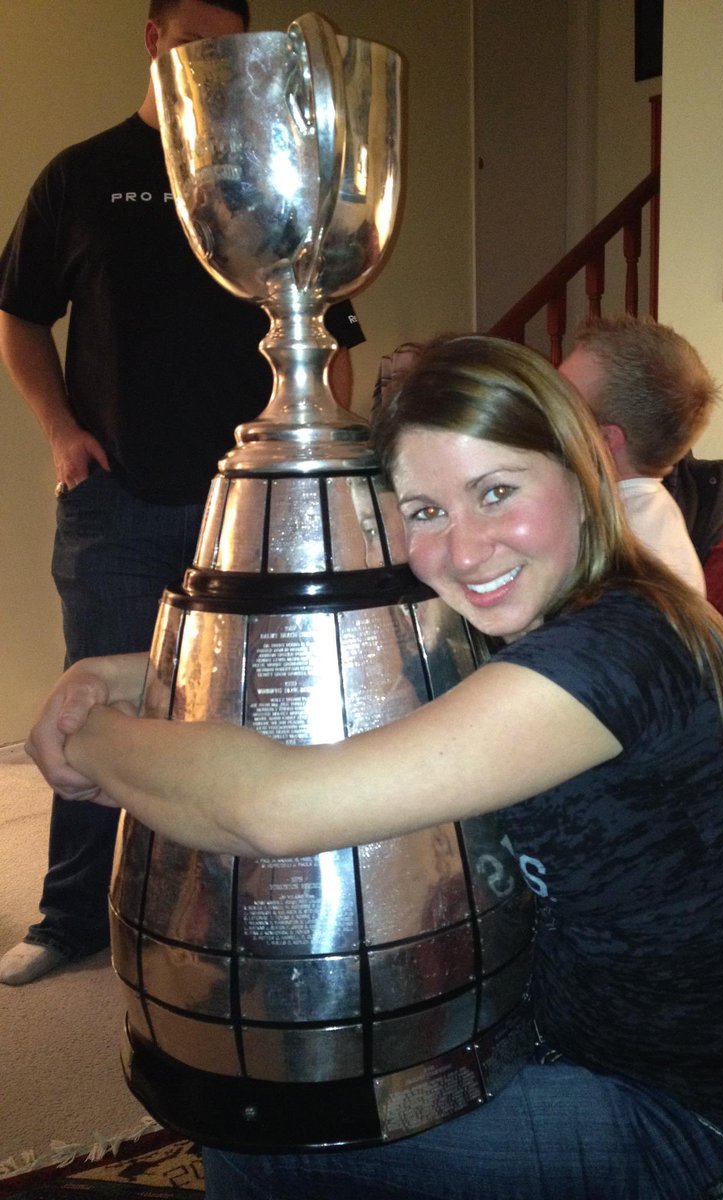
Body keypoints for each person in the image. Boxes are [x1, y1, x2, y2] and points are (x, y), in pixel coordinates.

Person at [27, 334, 723, 1199]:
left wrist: (87, 740)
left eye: (497, 492)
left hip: (708, 1127)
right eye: (425, 511)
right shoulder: (541, 617)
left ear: (584, 474)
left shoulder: (620, 651)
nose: (466, 550)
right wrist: (127, 673)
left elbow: (273, 809)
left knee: (263, 1137)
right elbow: (334, 671)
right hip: (578, 1037)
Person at [0, 0, 363, 987]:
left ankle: (226, 906)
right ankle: (71, 913)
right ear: (154, 40)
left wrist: (329, 471)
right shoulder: (83, 174)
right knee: (96, 712)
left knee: (243, 703)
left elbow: (335, 343)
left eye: (229, 38)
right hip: (120, 499)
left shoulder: (273, 179)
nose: (212, 53)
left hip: (255, 508)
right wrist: (59, 433)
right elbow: (20, 315)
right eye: (193, 33)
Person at [558, 314, 718, 594]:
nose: (542, 407)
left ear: (605, 440)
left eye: (560, 400)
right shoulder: (648, 513)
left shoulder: (616, 549)